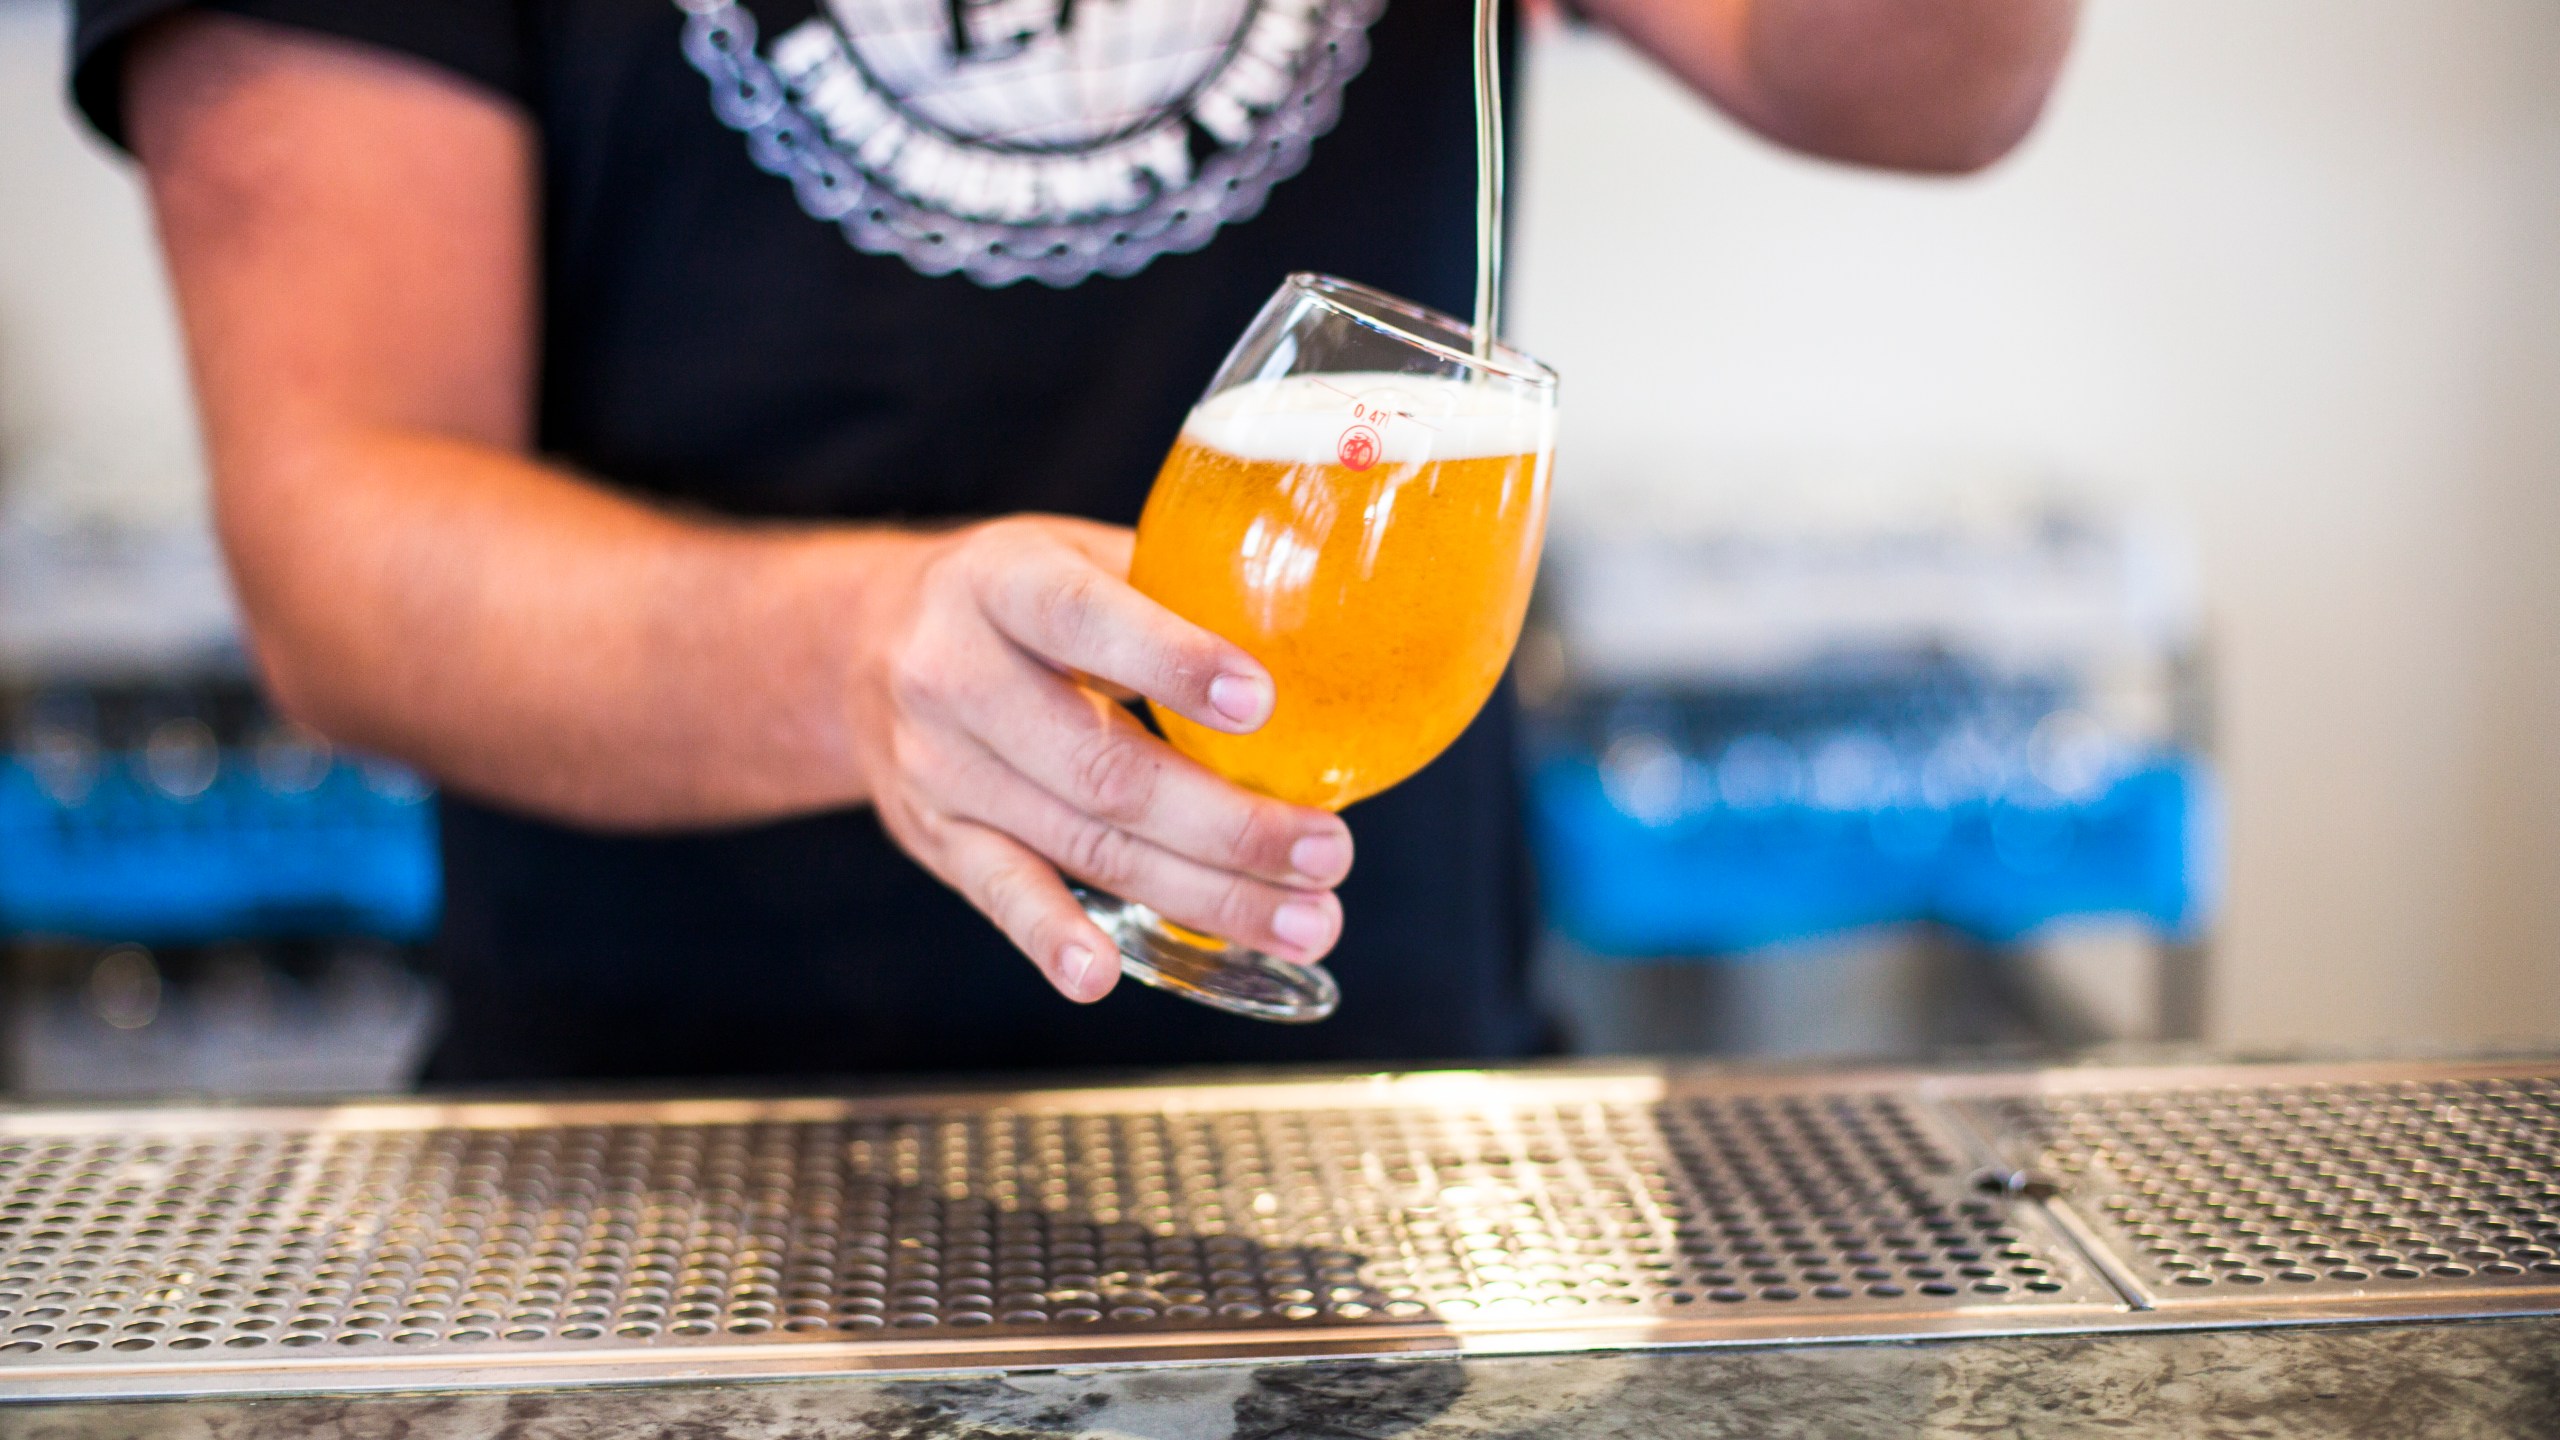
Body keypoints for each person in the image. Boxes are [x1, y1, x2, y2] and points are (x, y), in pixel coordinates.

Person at [70, 0, 2076, 1082]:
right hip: (674, 1146)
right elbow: (333, 536)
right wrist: (862, 661)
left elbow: (1914, 81)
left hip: (1385, 1111)